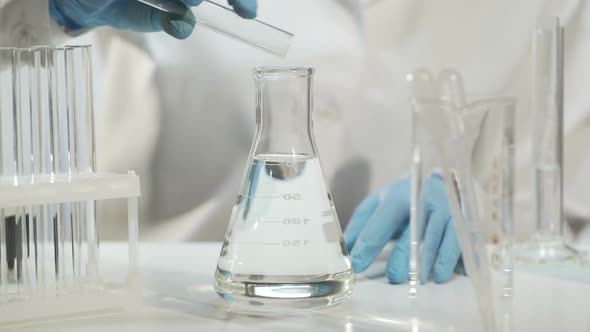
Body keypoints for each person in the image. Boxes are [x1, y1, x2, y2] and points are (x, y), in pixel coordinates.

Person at [1, 0, 588, 285]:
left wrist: (485, 219)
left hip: (417, 304)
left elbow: (567, 213)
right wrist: (47, 11)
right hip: (178, 310)